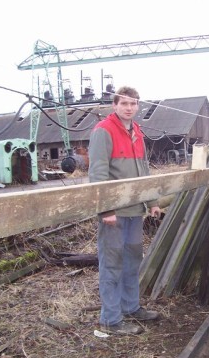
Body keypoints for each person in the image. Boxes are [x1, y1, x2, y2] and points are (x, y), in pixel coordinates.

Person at [88, 86, 161, 335]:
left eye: (133, 104)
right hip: (115, 214)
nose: (129, 108)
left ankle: (130, 307)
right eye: (124, 104)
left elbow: (145, 171)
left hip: (135, 211)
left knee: (132, 262)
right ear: (115, 105)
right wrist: (105, 209)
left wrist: (152, 202)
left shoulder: (137, 133)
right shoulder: (103, 131)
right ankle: (110, 319)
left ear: (137, 106)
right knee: (112, 264)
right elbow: (97, 174)